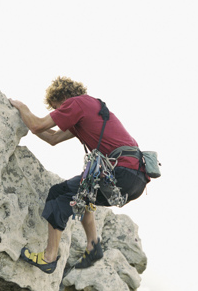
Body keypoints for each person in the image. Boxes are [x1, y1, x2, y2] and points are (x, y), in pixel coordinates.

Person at [9, 76, 148, 274]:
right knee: (82, 196)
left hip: (121, 171)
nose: (58, 113)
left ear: (63, 97)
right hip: (135, 179)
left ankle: (49, 258)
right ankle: (93, 247)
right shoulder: (92, 107)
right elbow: (53, 138)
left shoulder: (76, 103)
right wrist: (27, 122)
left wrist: (22, 108)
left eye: (57, 108)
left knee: (59, 194)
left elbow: (39, 125)